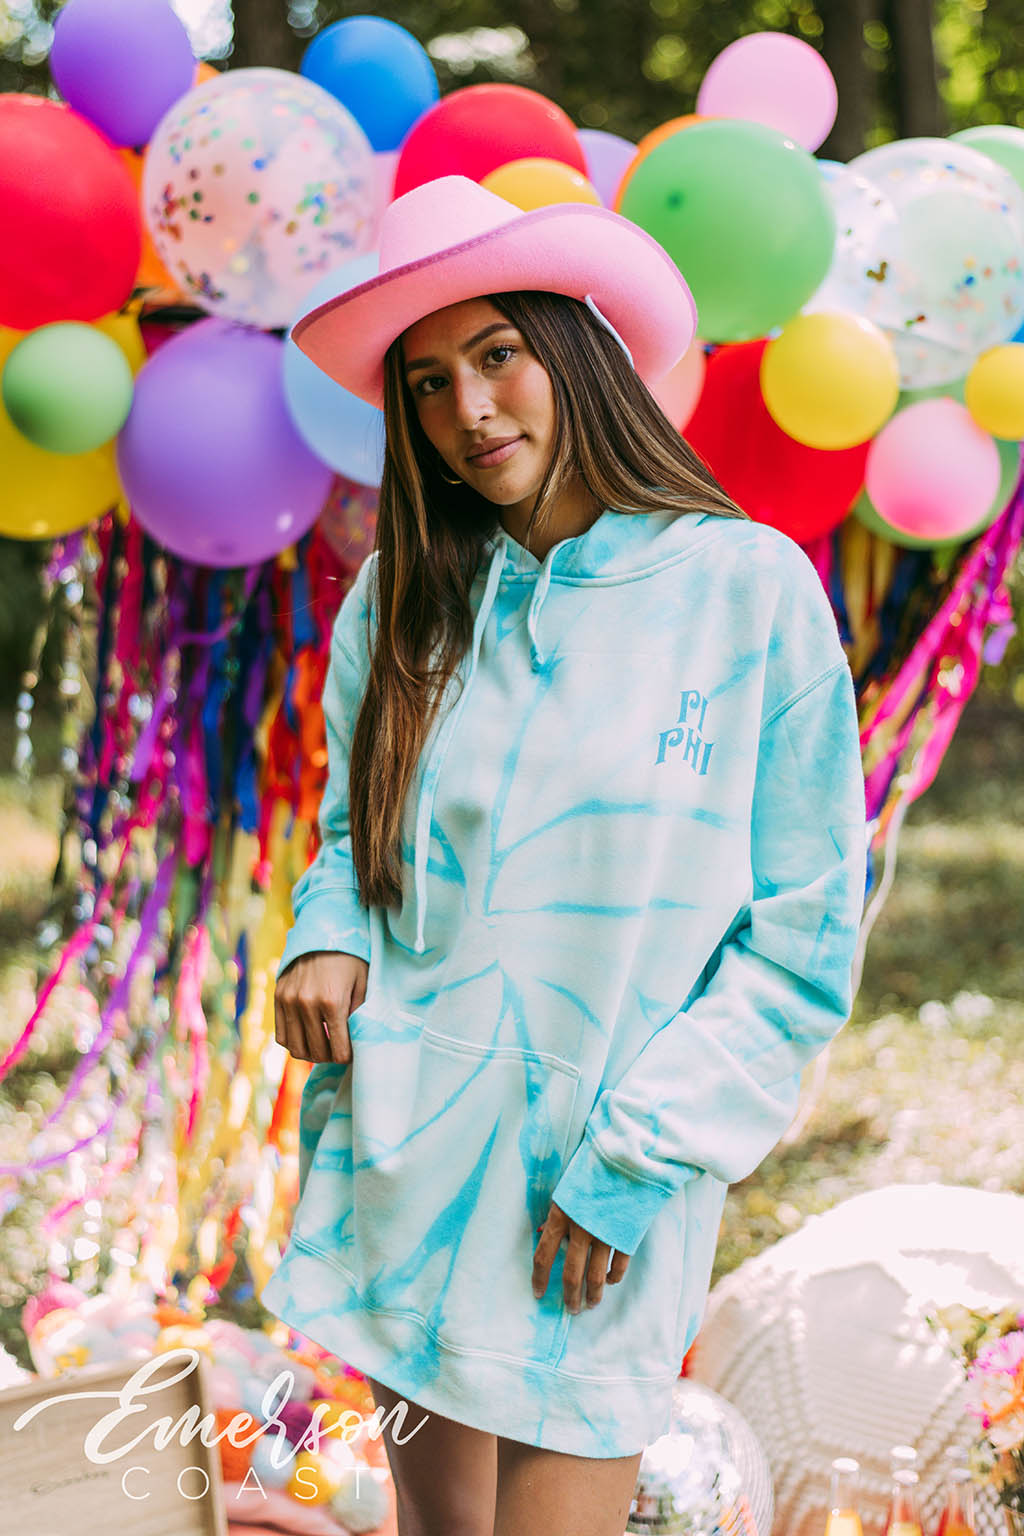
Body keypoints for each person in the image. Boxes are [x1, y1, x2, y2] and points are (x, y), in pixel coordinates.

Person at [260, 174, 868, 1536]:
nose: (469, 411)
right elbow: (355, 828)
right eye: (427, 385)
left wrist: (641, 1160)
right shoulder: (403, 597)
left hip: (596, 1186)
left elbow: (803, 937)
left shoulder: (747, 591)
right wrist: (328, 929)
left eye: (498, 356)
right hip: (404, 1148)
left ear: (576, 353)